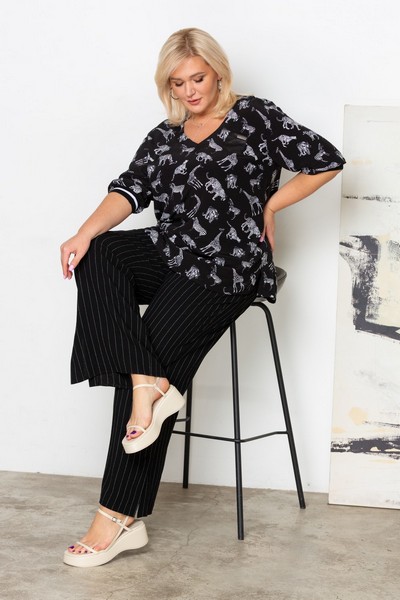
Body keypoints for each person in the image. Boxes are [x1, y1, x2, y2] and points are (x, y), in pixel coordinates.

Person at [60, 27, 345, 567]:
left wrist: (270, 205)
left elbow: (326, 159)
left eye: (198, 78)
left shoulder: (255, 116)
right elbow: (128, 190)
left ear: (218, 73)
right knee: (99, 254)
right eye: (178, 83)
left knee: (152, 349)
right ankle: (147, 382)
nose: (190, 91)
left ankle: (117, 517)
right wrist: (82, 233)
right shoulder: (165, 135)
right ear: (167, 86)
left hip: (229, 264)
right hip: (174, 250)